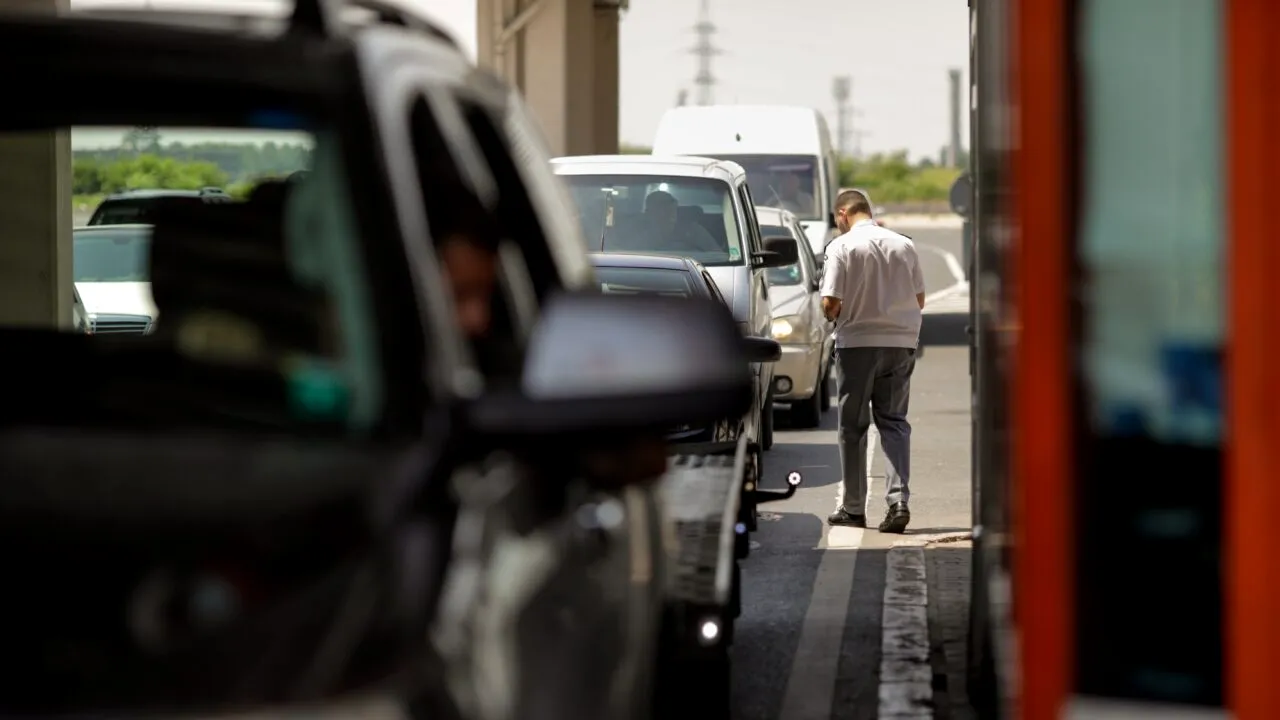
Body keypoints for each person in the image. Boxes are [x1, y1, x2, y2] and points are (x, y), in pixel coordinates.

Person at [820, 189, 926, 533]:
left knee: (852, 428)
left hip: (857, 345)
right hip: (900, 343)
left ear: (842, 214)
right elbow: (920, 298)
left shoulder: (841, 246)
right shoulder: (903, 244)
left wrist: (840, 313)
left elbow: (830, 303)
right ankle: (898, 502)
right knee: (894, 422)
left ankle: (853, 508)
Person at [636, 189, 721, 254]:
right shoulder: (639, 237)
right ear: (648, 213)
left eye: (670, 209)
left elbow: (717, 256)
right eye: (659, 208)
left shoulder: (695, 232)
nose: (666, 213)